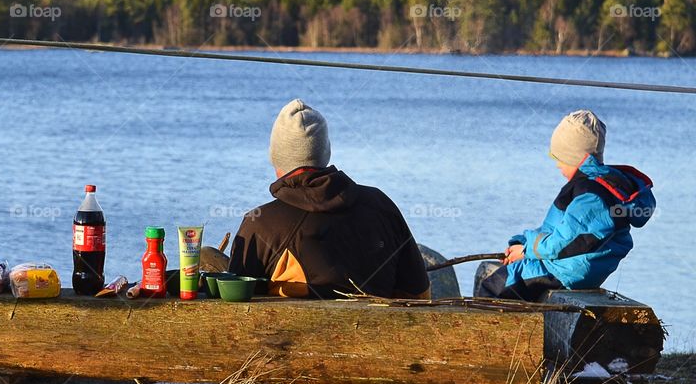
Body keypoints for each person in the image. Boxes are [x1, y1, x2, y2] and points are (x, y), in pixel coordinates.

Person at [229, 99, 430, 299]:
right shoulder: (380, 205)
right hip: (385, 329)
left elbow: (235, 302)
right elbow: (419, 295)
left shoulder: (260, 223)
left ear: (275, 155)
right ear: (325, 153)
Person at [477, 110, 655, 301]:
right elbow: (555, 230)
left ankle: (494, 330)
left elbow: (562, 244)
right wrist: (521, 243)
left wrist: (527, 251)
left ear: (575, 159)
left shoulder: (591, 197)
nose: (557, 165)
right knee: (502, 275)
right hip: (568, 266)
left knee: (493, 287)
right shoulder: (591, 186)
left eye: (558, 158)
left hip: (565, 270)